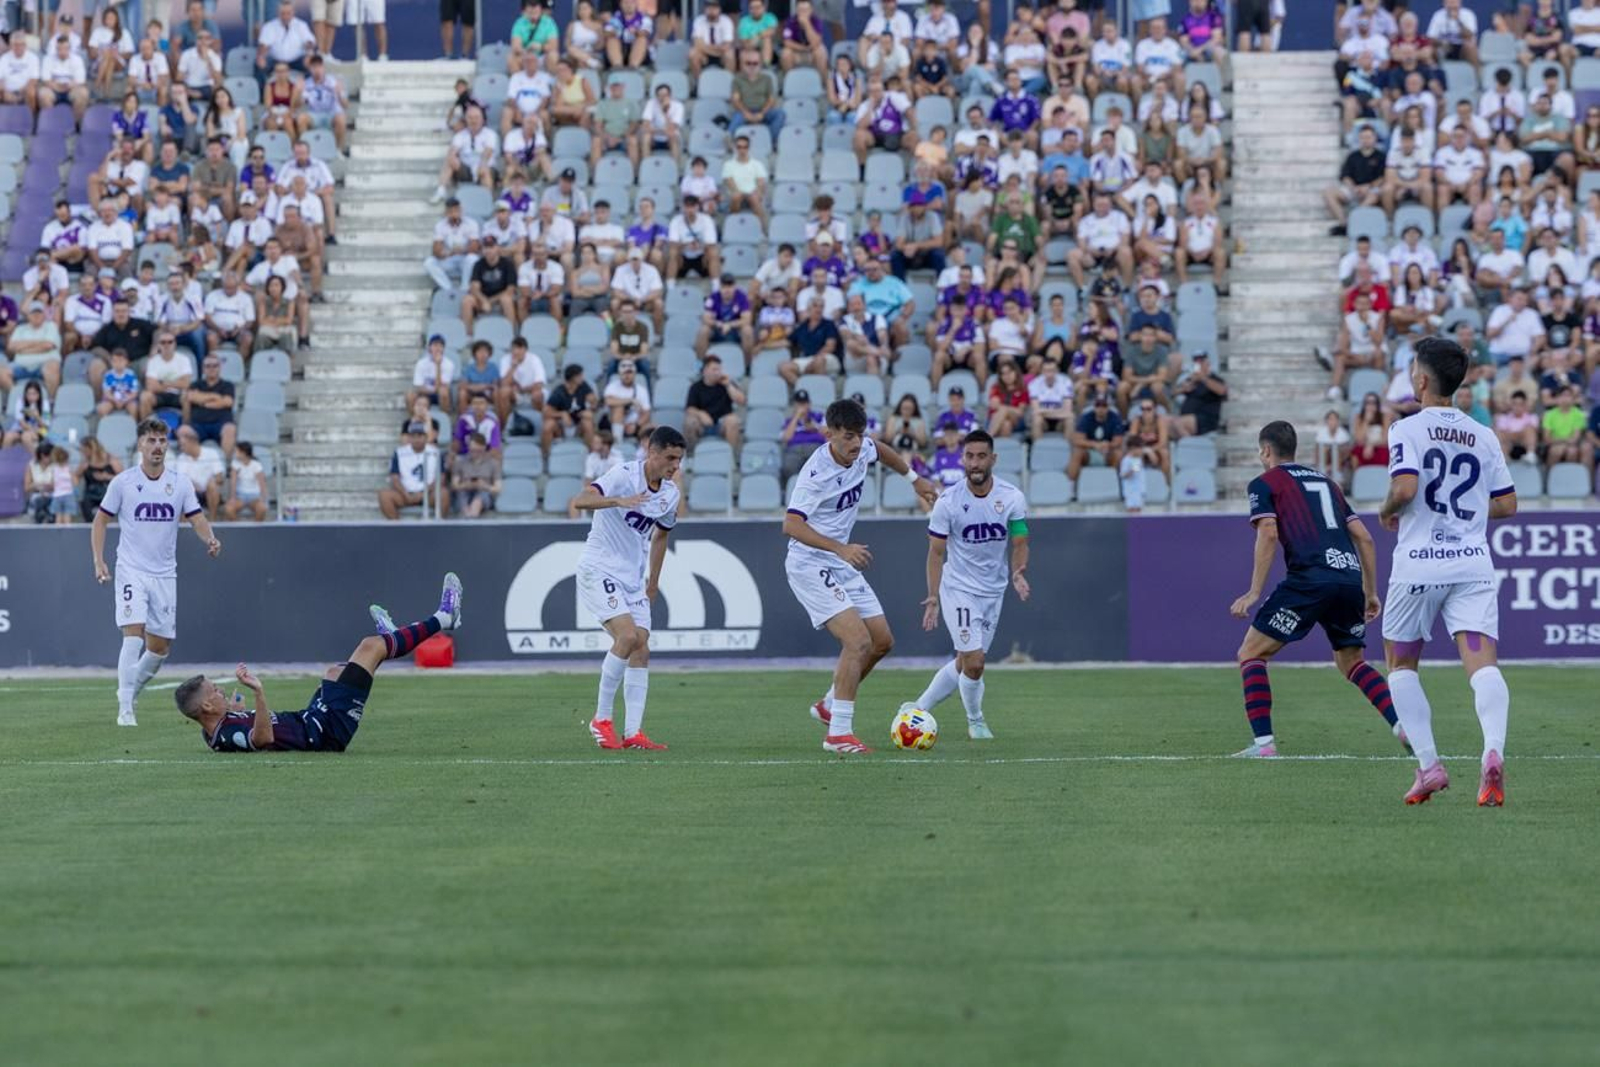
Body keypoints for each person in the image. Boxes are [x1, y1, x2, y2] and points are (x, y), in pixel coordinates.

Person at [1378, 337, 1518, 806]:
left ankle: (1429, 765)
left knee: (1400, 665)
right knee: (1483, 666)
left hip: (1418, 566)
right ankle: (1492, 753)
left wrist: (1387, 509)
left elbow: (1405, 485)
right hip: (1472, 565)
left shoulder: (1407, 429)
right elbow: (1507, 504)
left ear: (1420, 379)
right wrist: (1468, 516)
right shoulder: (1482, 434)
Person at [1226, 420, 1404, 759]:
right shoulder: (1329, 483)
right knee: (1353, 662)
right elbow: (1364, 538)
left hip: (1310, 579)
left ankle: (1264, 746)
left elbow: (1268, 533)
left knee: (1251, 653)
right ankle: (1401, 725)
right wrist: (1369, 591)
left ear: (1265, 450)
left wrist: (1253, 592)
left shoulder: (1264, 483)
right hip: (1349, 578)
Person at [783, 398, 939, 754]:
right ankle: (838, 733)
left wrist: (914, 479)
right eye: (848, 437)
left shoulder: (863, 448)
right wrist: (840, 548)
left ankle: (828, 704)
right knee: (857, 642)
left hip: (840, 560)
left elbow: (880, 450)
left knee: (882, 641)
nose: (856, 444)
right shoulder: (815, 474)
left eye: (860, 435)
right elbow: (790, 525)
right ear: (830, 435)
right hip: (810, 562)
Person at [176, 574, 463, 753]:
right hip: (326, 731)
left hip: (310, 718)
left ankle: (392, 640)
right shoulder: (224, 735)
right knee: (369, 647)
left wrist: (237, 710)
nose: (221, 691)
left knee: (337, 672)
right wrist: (258, 692)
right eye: (215, 691)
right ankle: (443, 618)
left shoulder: (214, 727)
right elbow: (262, 738)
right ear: (207, 707)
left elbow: (239, 729)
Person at [91, 417, 224, 727]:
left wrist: (210, 538)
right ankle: (125, 709)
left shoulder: (180, 483)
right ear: (140, 444)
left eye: (162, 441)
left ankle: (130, 690)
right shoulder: (123, 482)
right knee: (133, 634)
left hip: (164, 574)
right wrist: (99, 560)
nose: (157, 447)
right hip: (131, 569)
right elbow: (100, 521)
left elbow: (196, 518)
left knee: (160, 647)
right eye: (151, 441)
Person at [572, 426, 686, 751]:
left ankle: (633, 732)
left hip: (633, 580)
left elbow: (662, 535)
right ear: (652, 452)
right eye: (670, 458)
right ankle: (601, 719)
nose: (675, 465)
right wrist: (616, 500)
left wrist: (653, 582)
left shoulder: (670, 493)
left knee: (642, 648)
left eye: (679, 459)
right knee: (628, 637)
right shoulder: (622, 475)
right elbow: (580, 500)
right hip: (599, 567)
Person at [909, 430, 1029, 740]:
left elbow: (1019, 540)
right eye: (969, 457)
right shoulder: (948, 501)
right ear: (963, 459)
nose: (974, 463)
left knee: (964, 662)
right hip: (958, 588)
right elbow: (936, 552)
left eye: (981, 456)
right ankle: (975, 721)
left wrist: (1017, 572)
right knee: (975, 662)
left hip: (994, 589)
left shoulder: (1011, 497)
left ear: (993, 459)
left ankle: (916, 709)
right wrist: (933, 597)